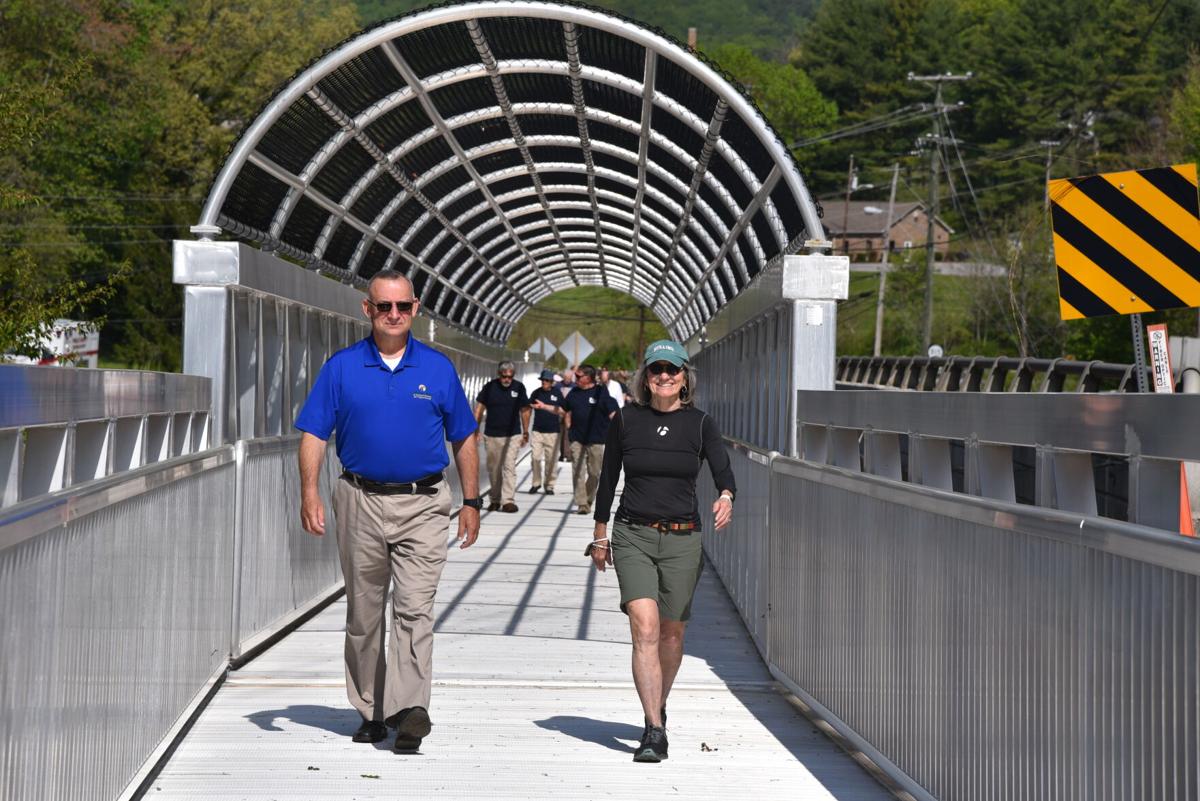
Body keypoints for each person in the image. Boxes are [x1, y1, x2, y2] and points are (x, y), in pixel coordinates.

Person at [295, 269, 482, 753]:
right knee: (365, 613)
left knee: (415, 608)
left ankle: (410, 710)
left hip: (424, 503)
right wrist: (309, 492)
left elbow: (463, 435)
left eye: (402, 306)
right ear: (368, 309)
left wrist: (471, 501)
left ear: (415, 309)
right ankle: (372, 711)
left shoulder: (438, 369)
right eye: (384, 306)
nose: (394, 315)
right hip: (360, 499)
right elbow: (314, 432)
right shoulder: (342, 368)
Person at [588, 340, 735, 763]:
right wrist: (600, 534)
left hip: (682, 539)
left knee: (672, 633)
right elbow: (608, 478)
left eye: (672, 370)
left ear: (685, 377)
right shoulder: (626, 420)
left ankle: (658, 703)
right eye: (657, 370)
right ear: (646, 377)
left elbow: (724, 471)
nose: (665, 376)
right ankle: (654, 729)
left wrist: (727, 496)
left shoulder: (701, 424)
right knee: (646, 627)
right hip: (633, 534)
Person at [474, 361, 530, 512]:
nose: (507, 380)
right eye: (504, 376)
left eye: (510, 377)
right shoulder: (490, 387)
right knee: (494, 468)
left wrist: (525, 432)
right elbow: (479, 409)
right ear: (499, 375)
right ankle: (495, 499)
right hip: (492, 435)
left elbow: (525, 410)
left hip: (513, 434)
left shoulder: (519, 387)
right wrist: (475, 430)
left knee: (509, 466)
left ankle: (508, 501)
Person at [562, 364, 615, 515]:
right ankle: (582, 503)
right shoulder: (574, 392)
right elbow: (564, 409)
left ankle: (588, 498)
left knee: (595, 473)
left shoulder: (600, 391)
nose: (576, 378)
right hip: (576, 438)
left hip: (596, 439)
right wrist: (567, 425)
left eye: (579, 376)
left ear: (588, 377)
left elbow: (612, 412)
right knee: (578, 471)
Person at [527, 368, 564, 494]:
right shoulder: (536, 393)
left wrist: (545, 407)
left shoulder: (557, 393)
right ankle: (536, 483)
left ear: (551, 382)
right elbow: (528, 407)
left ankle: (549, 485)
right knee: (535, 457)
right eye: (543, 380)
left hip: (553, 432)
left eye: (547, 380)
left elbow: (563, 410)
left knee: (551, 460)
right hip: (537, 430)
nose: (544, 382)